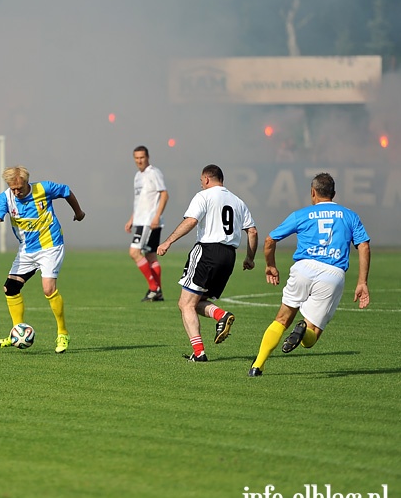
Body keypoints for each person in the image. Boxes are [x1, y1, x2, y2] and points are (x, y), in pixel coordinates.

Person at [248, 173, 370, 377]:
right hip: (332, 273)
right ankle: (304, 330)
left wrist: (270, 265)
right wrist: (362, 282)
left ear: (313, 192)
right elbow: (364, 246)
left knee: (281, 319)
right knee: (312, 334)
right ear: (334, 194)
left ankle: (257, 366)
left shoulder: (301, 214)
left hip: (303, 268)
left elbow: (270, 240)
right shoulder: (350, 215)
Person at [0, 166, 85, 354]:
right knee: (11, 288)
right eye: (13, 188)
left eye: (19, 188)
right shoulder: (5, 198)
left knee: (48, 288)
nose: (16, 192)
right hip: (27, 250)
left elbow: (67, 192)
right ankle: (17, 331)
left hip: (51, 245)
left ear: (26, 182)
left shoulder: (44, 188)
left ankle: (63, 333)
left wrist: (78, 212)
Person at [157, 164, 257, 362]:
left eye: (201, 181)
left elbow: (191, 221)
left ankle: (200, 352)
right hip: (229, 256)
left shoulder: (203, 196)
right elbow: (252, 231)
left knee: (185, 304)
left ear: (206, 179)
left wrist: (168, 241)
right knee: (196, 302)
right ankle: (221, 315)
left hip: (207, 252)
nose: (201, 185)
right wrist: (250, 258)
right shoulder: (238, 201)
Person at [125, 146, 169, 302]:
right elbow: (140, 201)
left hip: (149, 221)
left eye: (142, 157)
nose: (139, 161)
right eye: (136, 158)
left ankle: (154, 287)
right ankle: (159, 292)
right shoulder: (138, 176)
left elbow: (164, 194)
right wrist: (132, 219)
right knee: (150, 256)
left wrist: (157, 216)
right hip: (141, 220)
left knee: (134, 252)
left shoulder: (154, 173)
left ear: (148, 157)